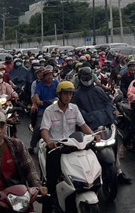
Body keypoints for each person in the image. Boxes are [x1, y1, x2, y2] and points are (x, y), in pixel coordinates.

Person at [40, 81, 99, 213]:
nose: (68, 97)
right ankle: (49, 204)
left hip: (74, 145)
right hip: (57, 147)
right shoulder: (50, 111)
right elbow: (44, 129)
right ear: (59, 95)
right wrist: (49, 141)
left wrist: (93, 135)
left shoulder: (74, 108)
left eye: (70, 94)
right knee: (51, 182)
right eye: (65, 94)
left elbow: (82, 125)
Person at [72, 67, 132, 184]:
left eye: (89, 77)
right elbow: (78, 112)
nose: (87, 80)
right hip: (90, 128)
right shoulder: (76, 94)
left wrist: (113, 111)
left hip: (105, 124)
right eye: (85, 78)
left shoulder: (98, 90)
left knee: (114, 144)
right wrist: (92, 117)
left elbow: (108, 102)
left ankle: (118, 171)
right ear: (80, 79)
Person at [0, 111, 46, 207]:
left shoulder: (17, 145)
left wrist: (38, 186)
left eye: (2, 127)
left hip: (19, 198)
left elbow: (29, 168)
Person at [29, 66, 58, 153]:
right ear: (44, 77)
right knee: (38, 127)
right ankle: (32, 145)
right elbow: (36, 94)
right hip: (43, 109)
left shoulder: (56, 83)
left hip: (55, 107)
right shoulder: (39, 85)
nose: (50, 77)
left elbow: (60, 91)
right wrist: (38, 101)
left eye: (51, 75)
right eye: (48, 75)